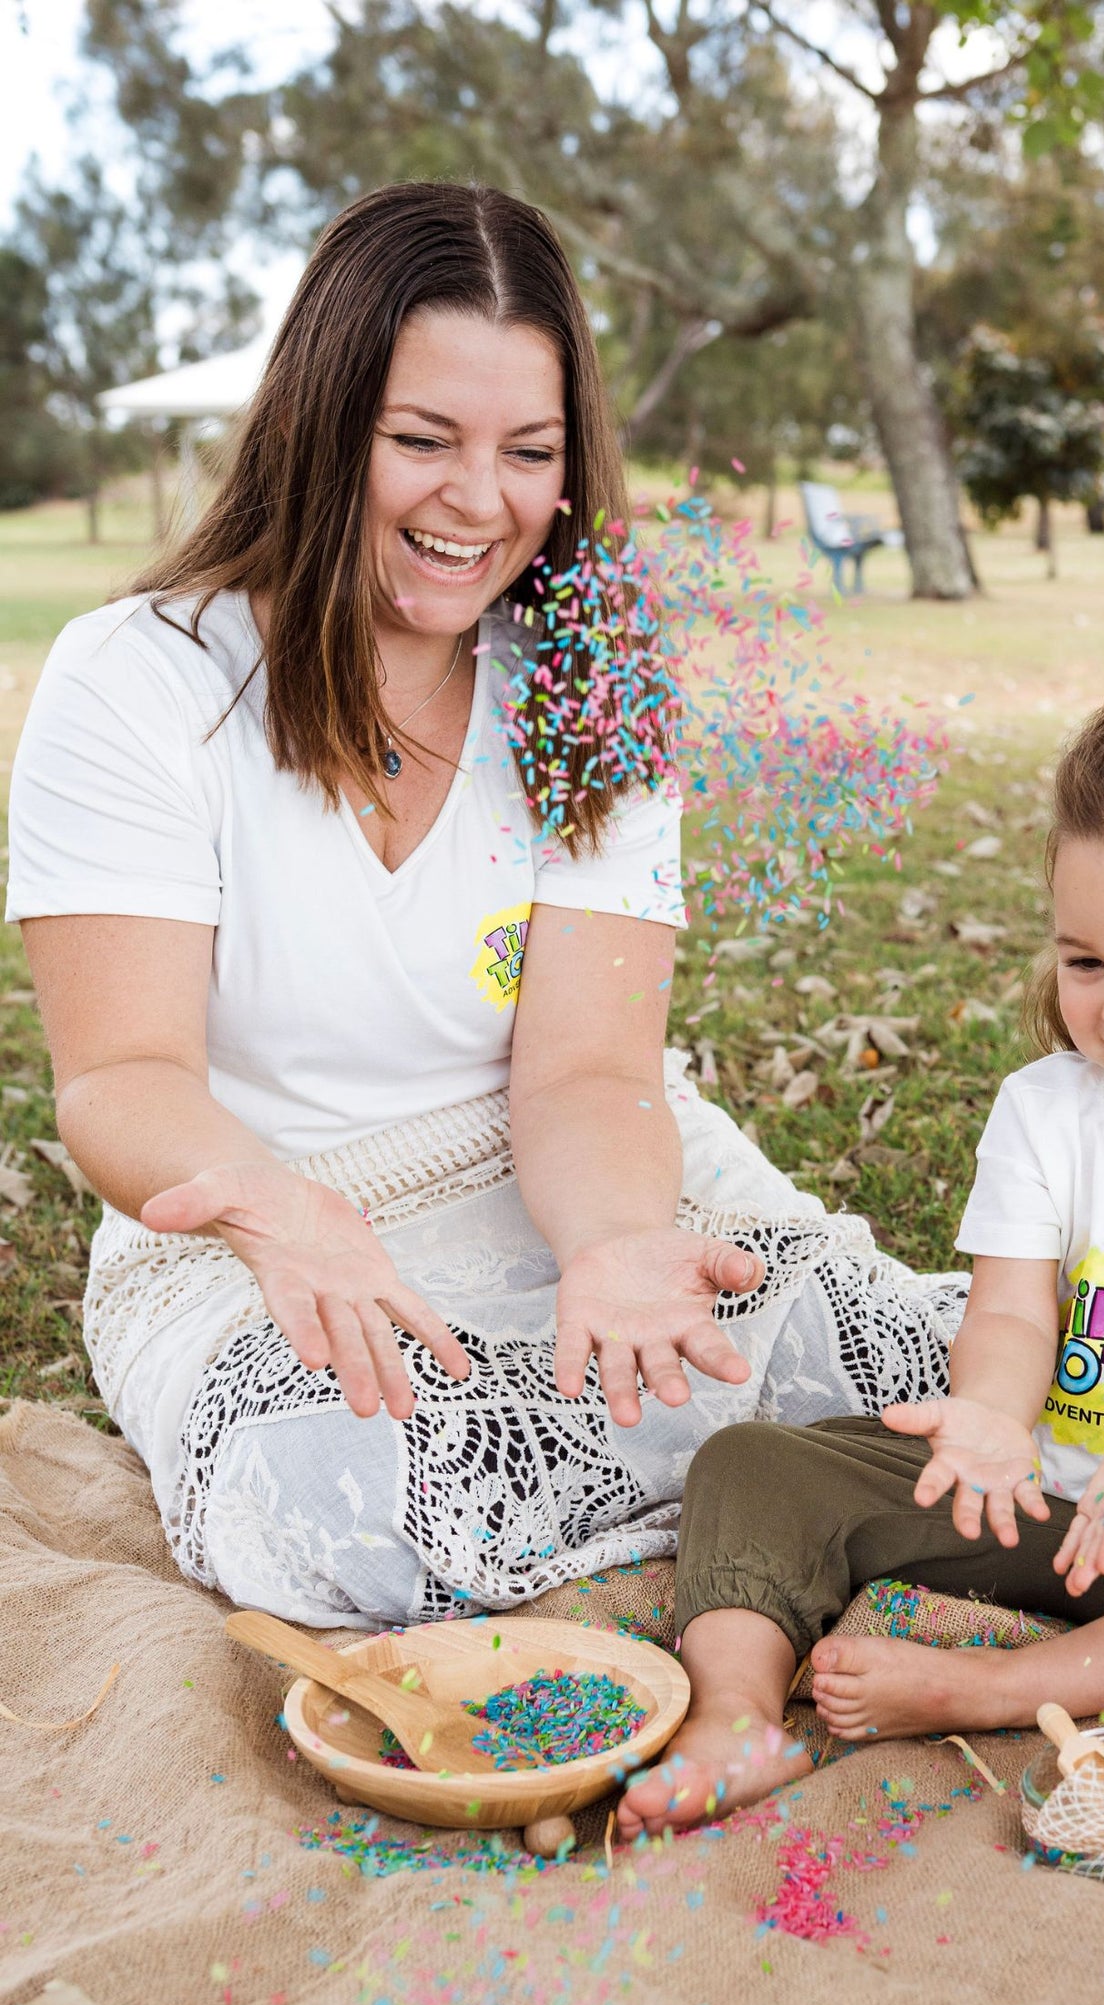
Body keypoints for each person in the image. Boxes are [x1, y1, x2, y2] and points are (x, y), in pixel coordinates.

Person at [6, 182, 964, 1627]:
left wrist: (620, 1257)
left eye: (529, 452)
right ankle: (747, 1500)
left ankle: (699, 1485)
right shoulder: (136, 677)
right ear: (321, 428)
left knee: (927, 1375)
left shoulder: (595, 687)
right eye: (420, 441)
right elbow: (120, 1080)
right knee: (336, 1510)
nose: (479, 503)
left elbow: (583, 1071)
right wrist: (284, 1211)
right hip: (255, 1228)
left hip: (575, 1169)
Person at [617, 682, 1104, 1841]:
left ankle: (988, 1689)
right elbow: (1006, 1314)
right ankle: (736, 1715)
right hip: (1024, 1501)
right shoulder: (1043, 1108)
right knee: (751, 1463)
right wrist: (990, 1416)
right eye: (1084, 960)